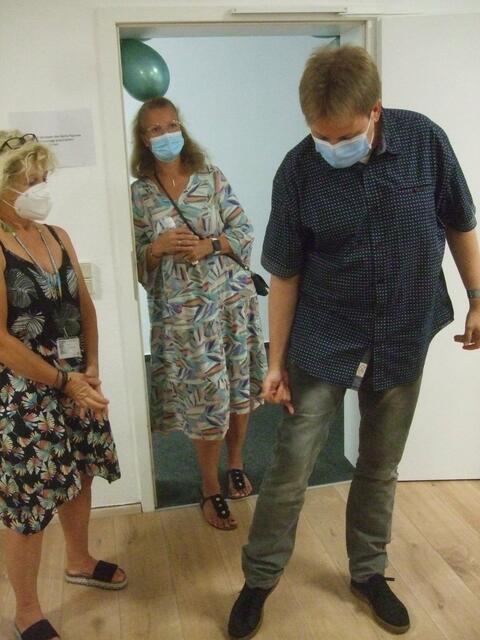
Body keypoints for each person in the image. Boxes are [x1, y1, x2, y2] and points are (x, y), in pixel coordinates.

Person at [228, 45, 480, 638]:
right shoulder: (298, 170)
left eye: (343, 136)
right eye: (320, 135)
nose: (330, 146)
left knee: (380, 464)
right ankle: (259, 580)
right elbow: (284, 273)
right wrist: (275, 362)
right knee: (291, 465)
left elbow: (460, 221)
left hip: (403, 331)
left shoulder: (425, 142)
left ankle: (368, 573)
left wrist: (477, 296)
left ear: (375, 111)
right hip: (324, 336)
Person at [0, 131, 126, 640]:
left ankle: (79, 560)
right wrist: (64, 381)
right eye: (30, 180)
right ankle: (27, 611)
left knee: (81, 472)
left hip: (76, 381)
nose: (41, 188)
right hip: (23, 394)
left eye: (43, 177)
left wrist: (91, 368)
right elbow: (2, 342)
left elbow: (84, 307)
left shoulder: (56, 235)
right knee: (28, 504)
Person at [130, 97, 267, 530]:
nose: (166, 134)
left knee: (238, 385)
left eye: (171, 125)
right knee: (205, 397)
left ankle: (236, 464)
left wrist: (211, 245)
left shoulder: (210, 177)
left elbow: (244, 229)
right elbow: (132, 258)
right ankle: (209, 486)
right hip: (183, 318)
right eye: (155, 129)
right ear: (143, 139)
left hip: (231, 304)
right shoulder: (139, 194)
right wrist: (156, 248)